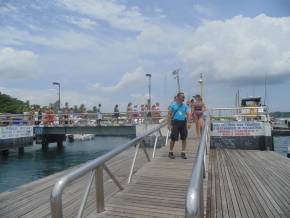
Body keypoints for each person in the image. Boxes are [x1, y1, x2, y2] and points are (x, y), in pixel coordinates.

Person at [167, 92, 191, 159]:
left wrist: (189, 122)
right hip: (175, 122)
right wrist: (168, 124)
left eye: (184, 97)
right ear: (178, 97)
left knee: (184, 138)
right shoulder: (173, 105)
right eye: (182, 97)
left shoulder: (185, 106)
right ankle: (170, 152)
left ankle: (183, 152)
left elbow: (189, 113)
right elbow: (169, 115)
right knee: (173, 138)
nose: (184, 98)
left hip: (183, 122)